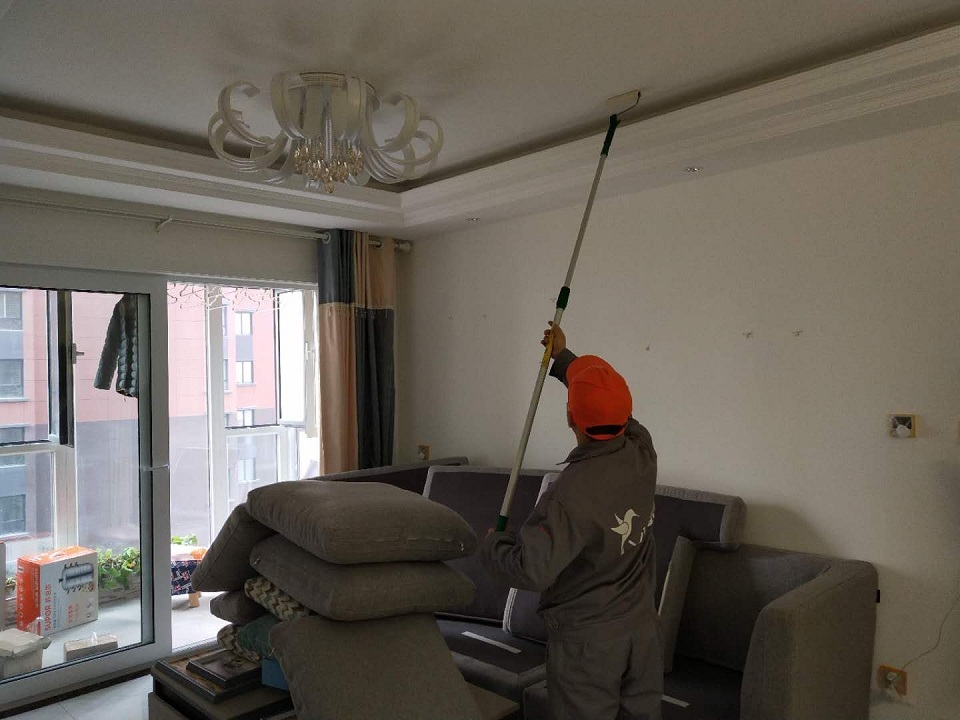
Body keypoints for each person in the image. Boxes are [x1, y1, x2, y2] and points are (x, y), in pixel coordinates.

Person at [479, 321, 662, 720]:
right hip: (642, 632)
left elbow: (530, 570)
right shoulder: (642, 450)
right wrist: (562, 359)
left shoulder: (568, 496)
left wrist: (494, 544)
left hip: (588, 647)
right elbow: (616, 411)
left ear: (569, 418)